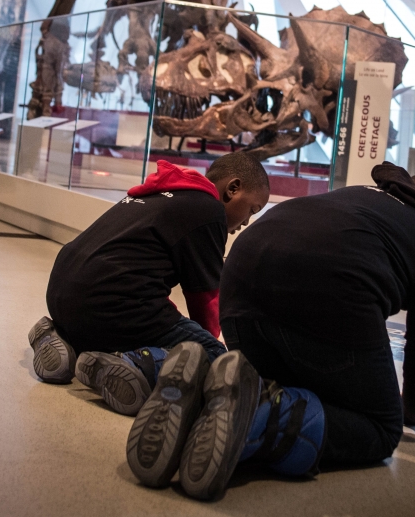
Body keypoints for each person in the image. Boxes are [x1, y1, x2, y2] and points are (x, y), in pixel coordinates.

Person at [124, 162, 415, 500]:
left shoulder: (358, 196)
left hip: (239, 279)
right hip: (327, 289)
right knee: (379, 429)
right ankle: (256, 421)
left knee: (261, 387)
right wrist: (411, 411)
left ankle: (160, 376)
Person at [28, 154, 270, 417]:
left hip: (61, 294)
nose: (246, 222)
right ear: (233, 189)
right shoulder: (209, 210)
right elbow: (206, 300)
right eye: (252, 210)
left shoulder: (166, 191)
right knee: (212, 355)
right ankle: (137, 365)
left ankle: (62, 338)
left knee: (135, 316)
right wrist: (203, 346)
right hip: (110, 305)